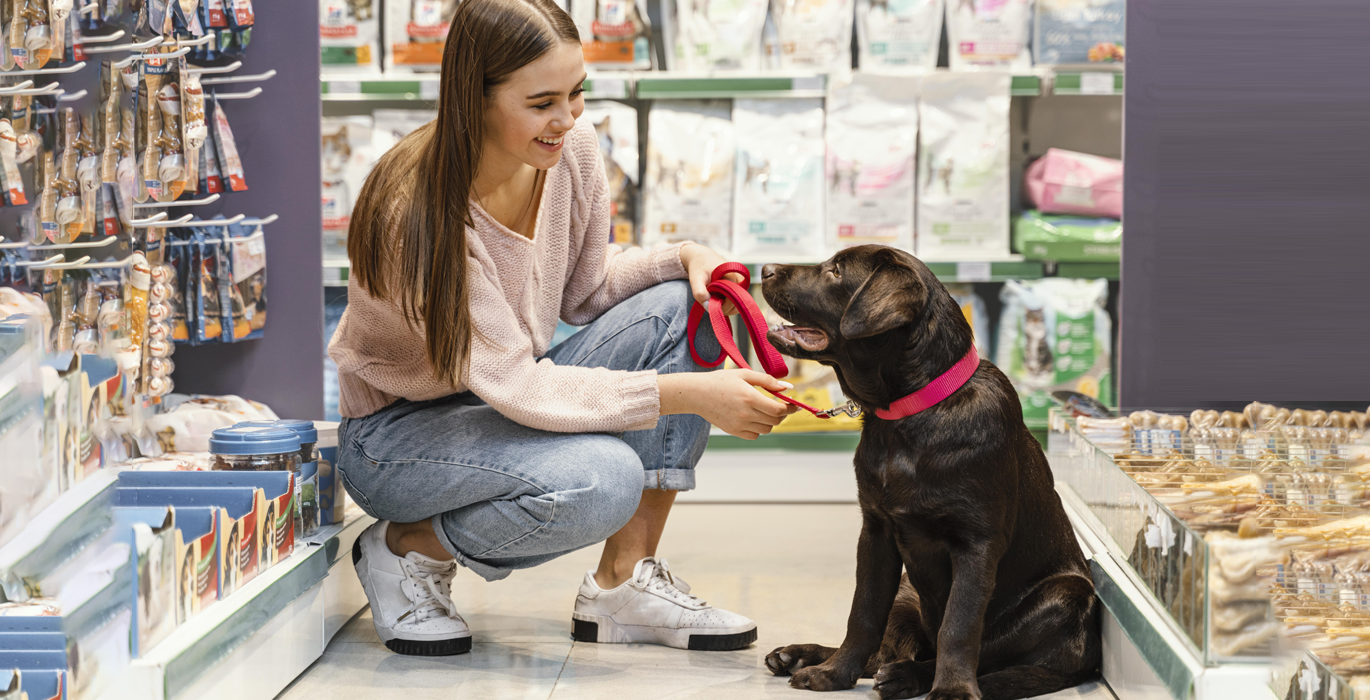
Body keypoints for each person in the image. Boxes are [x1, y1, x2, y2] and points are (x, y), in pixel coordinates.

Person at [328, 0, 797, 657]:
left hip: (500, 396)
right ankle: (406, 548)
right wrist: (691, 394)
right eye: (543, 101)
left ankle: (621, 585)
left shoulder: (568, 148)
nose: (569, 118)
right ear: (474, 98)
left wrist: (688, 257)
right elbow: (520, 386)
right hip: (398, 440)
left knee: (687, 306)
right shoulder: (417, 216)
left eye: (577, 93)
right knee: (601, 479)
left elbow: (583, 290)